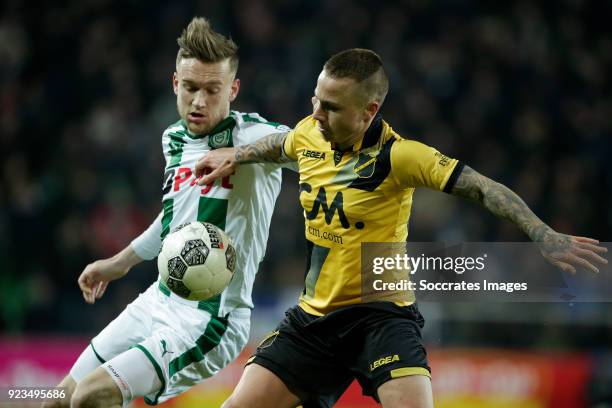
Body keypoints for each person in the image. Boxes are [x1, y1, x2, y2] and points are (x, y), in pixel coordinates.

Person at [195, 48, 608, 408]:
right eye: (315, 101)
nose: (317, 114)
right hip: (315, 319)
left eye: (331, 107)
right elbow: (279, 144)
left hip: (382, 317)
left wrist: (541, 233)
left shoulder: (401, 157)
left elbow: (481, 188)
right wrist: (238, 155)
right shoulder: (309, 132)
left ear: (368, 111)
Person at [44, 17, 291, 408]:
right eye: (190, 88)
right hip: (159, 298)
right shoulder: (173, 138)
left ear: (233, 89)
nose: (198, 101)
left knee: (91, 397)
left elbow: (304, 146)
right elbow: (175, 219)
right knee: (59, 399)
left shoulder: (251, 135)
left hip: (211, 319)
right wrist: (119, 262)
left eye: (213, 90)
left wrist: (240, 155)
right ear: (175, 83)